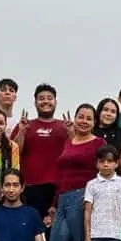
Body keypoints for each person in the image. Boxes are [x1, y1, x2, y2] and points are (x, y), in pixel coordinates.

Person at [48, 103, 104, 241]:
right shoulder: (69, 141)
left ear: (94, 122)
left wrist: (93, 199)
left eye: (89, 118)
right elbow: (61, 174)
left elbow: (104, 173)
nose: (84, 121)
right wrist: (54, 203)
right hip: (63, 198)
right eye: (81, 116)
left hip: (82, 196)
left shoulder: (98, 143)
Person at [13, 83, 69, 221]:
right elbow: (14, 151)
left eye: (49, 98)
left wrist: (72, 133)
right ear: (35, 102)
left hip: (58, 187)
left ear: (55, 101)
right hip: (30, 187)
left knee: (55, 233)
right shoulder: (25, 125)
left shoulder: (65, 126)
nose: (45, 101)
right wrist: (21, 131)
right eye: (41, 98)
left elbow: (75, 151)